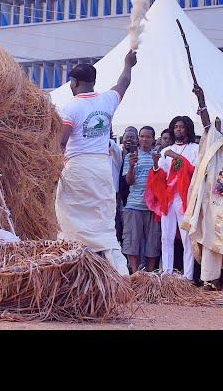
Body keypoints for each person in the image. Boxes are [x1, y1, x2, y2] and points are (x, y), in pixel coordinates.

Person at [56, 50, 137, 277]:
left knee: (68, 219)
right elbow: (124, 82)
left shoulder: (70, 107)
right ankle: (120, 274)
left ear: (74, 82)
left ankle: (73, 272)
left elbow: (61, 141)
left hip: (77, 168)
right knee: (103, 224)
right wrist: (128, 63)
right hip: (102, 169)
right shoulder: (107, 100)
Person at [146, 115, 199, 280]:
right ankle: (167, 274)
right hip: (168, 198)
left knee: (186, 238)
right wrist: (155, 164)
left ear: (188, 129)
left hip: (185, 198)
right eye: (176, 127)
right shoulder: (164, 151)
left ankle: (188, 277)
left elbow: (194, 173)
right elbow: (159, 176)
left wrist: (177, 157)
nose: (178, 129)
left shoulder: (195, 149)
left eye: (181, 127)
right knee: (166, 236)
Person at [183, 86, 223, 290]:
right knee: (210, 242)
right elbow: (208, 126)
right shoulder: (217, 144)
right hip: (214, 203)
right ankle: (211, 280)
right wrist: (202, 100)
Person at [121, 126, 161, 272]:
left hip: (152, 207)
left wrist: (156, 163)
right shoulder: (130, 157)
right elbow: (129, 182)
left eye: (148, 137)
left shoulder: (157, 156)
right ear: (138, 138)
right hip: (134, 204)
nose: (144, 139)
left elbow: (160, 180)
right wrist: (131, 166)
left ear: (153, 139)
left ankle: (150, 274)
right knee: (132, 241)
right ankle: (135, 273)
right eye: (142, 136)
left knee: (153, 242)